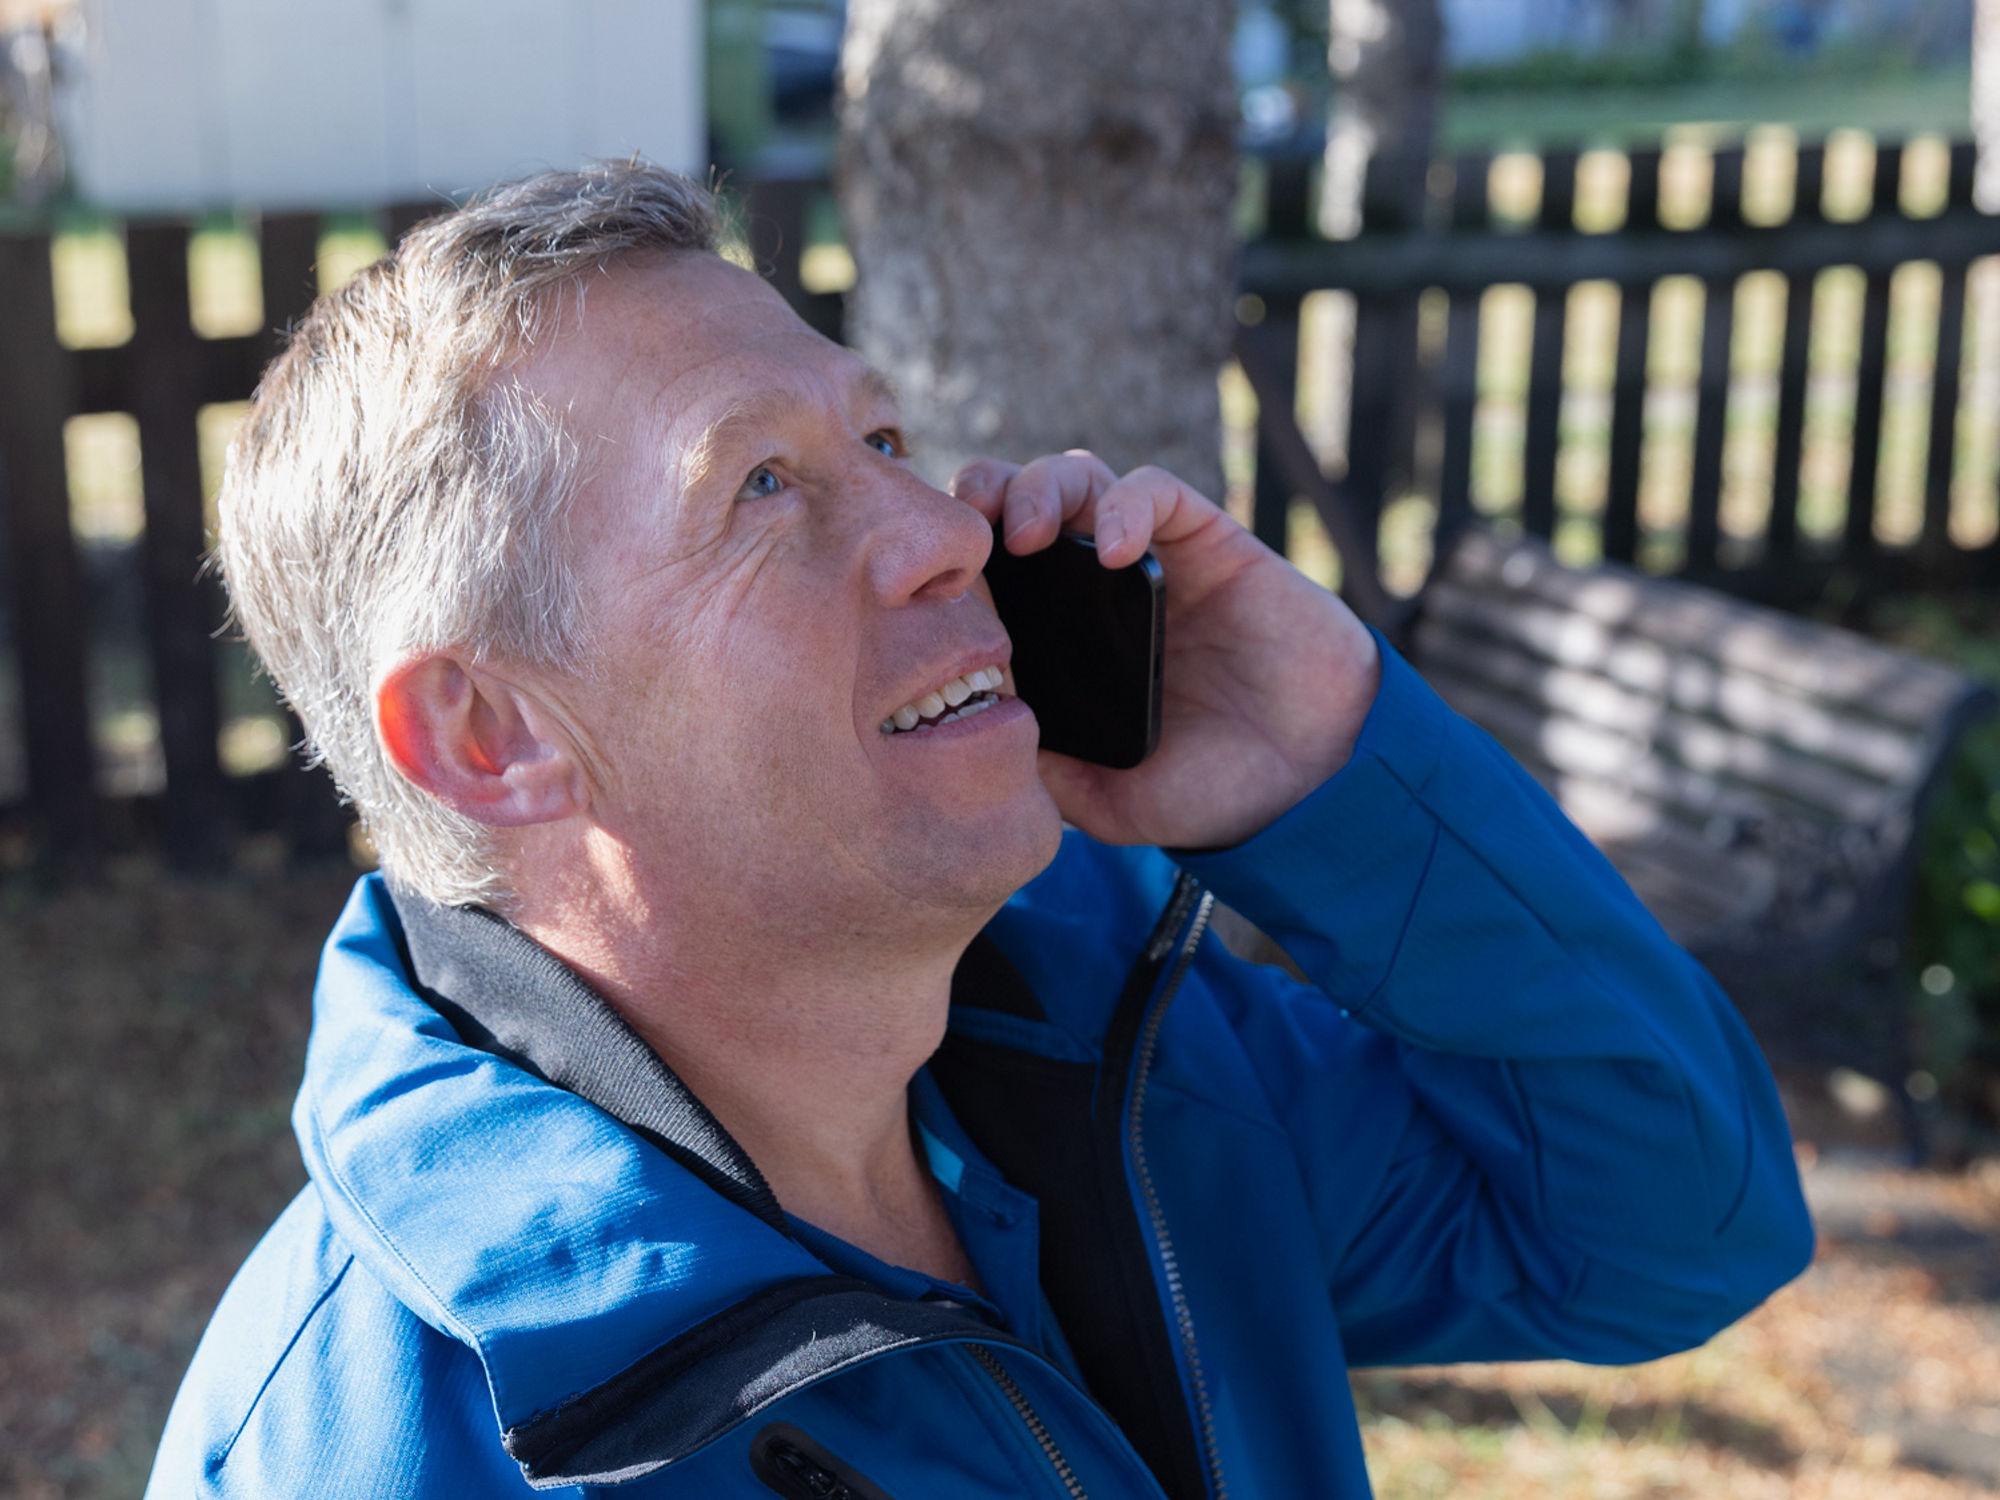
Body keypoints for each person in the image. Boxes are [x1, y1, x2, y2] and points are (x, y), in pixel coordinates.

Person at [147, 161, 1813, 1500]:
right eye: (763, 488)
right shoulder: (361, 1452)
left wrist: (1335, 777)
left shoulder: (1135, 1064)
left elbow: (1671, 1234)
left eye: (879, 438)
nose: (945, 528)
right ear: (492, 737)